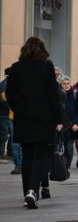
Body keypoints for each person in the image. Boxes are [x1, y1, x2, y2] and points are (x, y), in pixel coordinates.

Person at [4, 37, 62, 209]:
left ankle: (27, 194)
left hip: (24, 118)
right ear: (42, 50)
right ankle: (32, 190)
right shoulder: (46, 66)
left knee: (27, 155)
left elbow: (8, 93)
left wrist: (18, 108)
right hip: (44, 117)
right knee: (41, 155)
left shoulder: (16, 68)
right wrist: (58, 119)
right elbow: (53, 94)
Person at [59, 76, 78, 171]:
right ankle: (58, 165)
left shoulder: (75, 94)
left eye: (68, 83)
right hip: (60, 126)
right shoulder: (58, 94)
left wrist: (77, 123)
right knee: (57, 148)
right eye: (64, 84)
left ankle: (67, 166)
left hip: (71, 126)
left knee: (69, 148)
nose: (66, 85)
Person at [0, 72, 20, 174]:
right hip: (14, 116)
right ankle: (19, 165)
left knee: (15, 142)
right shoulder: (7, 85)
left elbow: (4, 97)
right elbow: (4, 97)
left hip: (15, 116)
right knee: (15, 142)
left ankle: (18, 165)